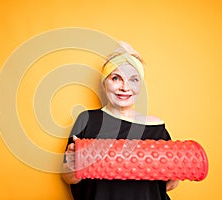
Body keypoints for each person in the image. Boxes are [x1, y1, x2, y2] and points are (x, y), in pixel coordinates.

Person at [61, 42, 179, 200]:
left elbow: (169, 185)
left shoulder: (156, 126)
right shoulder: (88, 120)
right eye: (116, 78)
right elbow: (69, 178)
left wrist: (176, 171)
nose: (125, 87)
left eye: (133, 80)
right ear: (104, 83)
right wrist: (73, 163)